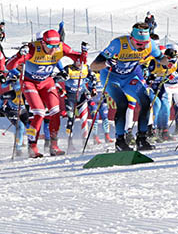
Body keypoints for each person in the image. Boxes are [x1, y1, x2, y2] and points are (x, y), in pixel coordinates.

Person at [5, 30, 87, 157]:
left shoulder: (61, 47)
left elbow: (79, 60)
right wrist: (19, 55)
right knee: (39, 112)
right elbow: (9, 66)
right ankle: (32, 147)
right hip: (29, 82)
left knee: (55, 112)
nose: (53, 50)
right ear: (43, 43)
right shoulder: (33, 48)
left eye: (55, 46)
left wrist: (84, 54)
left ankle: (53, 146)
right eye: (49, 46)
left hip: (46, 81)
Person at [90, 22, 163, 152]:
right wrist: (106, 63)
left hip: (130, 77)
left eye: (145, 43)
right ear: (131, 38)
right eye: (139, 44)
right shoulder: (118, 44)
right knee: (122, 103)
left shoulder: (150, 44)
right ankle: (120, 141)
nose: (142, 47)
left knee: (146, 102)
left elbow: (162, 59)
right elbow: (93, 66)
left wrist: (169, 62)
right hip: (112, 77)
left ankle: (141, 138)